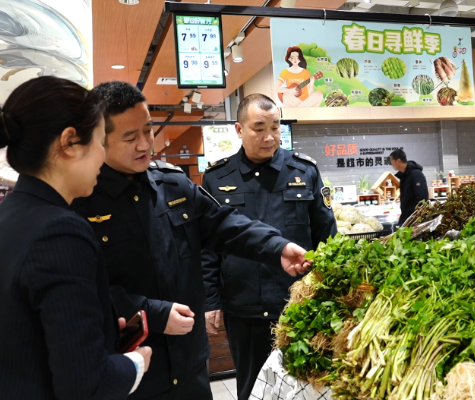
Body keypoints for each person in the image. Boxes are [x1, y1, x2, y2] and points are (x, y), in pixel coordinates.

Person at [72, 81, 312, 400]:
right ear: (100, 138)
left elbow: (224, 224)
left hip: (190, 366)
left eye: (148, 130)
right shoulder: (82, 201)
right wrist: (154, 315)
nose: (145, 144)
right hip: (130, 369)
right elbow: (82, 290)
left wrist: (276, 246)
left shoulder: (173, 186)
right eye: (130, 137)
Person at [0, 76, 151, 399]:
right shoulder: (60, 231)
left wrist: (104, 333)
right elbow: (86, 384)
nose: (102, 155)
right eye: (99, 141)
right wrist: (135, 362)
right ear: (69, 142)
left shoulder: (11, 213)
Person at [201, 93, 337, 400]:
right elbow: (207, 248)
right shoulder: (217, 177)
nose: (269, 136)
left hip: (297, 305)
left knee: (305, 384)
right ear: (239, 129)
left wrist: (328, 294)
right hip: (243, 305)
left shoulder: (304, 172)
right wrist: (211, 301)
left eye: (275, 127)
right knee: (251, 387)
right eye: (259, 127)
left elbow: (327, 237)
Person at [390, 149, 428, 226]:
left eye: (392, 161)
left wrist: (418, 217)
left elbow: (422, 197)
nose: (391, 164)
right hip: (406, 217)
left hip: (415, 219)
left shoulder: (416, 174)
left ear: (398, 161)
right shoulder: (404, 176)